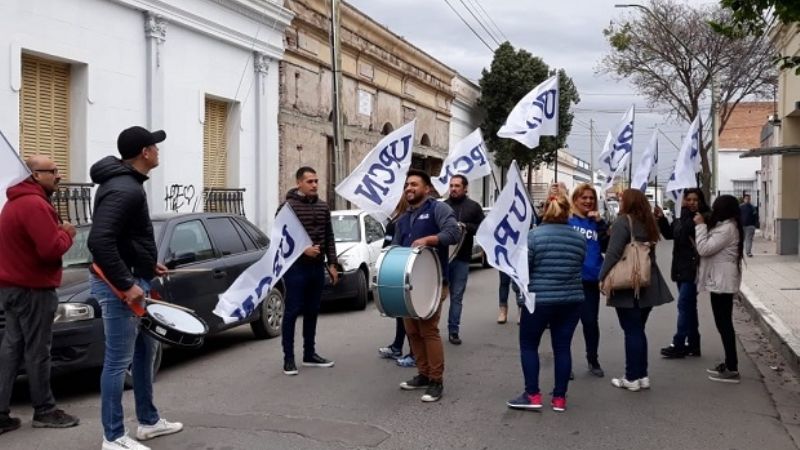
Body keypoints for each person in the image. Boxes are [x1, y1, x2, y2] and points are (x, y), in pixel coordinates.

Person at [88, 126, 183, 450]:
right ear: (144, 152)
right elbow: (99, 241)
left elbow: (122, 237)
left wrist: (145, 264)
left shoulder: (125, 185)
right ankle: (112, 436)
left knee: (146, 350)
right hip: (119, 288)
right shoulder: (125, 189)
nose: (158, 151)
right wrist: (127, 284)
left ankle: (149, 421)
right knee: (118, 361)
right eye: (155, 146)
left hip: (134, 277)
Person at [0, 156, 79, 435]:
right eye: (53, 171)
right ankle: (44, 410)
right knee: (37, 351)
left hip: (11, 288)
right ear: (34, 175)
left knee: (11, 350)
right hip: (33, 290)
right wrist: (67, 233)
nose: (58, 175)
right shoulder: (34, 205)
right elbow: (49, 250)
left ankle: (1, 414)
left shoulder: (12, 204)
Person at [506, 193, 585, 413]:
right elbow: (578, 265)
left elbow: (522, 272)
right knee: (562, 348)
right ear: (568, 211)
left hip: (538, 301)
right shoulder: (579, 238)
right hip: (571, 301)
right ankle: (559, 398)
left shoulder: (532, 237)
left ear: (545, 211)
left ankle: (532, 395)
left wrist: (518, 294)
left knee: (529, 346)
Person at [393, 169, 460, 403]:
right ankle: (422, 373)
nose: (409, 188)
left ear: (427, 188)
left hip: (433, 281)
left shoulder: (438, 209)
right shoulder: (403, 218)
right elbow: (396, 249)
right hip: (407, 285)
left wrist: (429, 240)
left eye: (414, 184)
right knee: (412, 331)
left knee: (428, 329)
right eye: (406, 185)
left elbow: (453, 233)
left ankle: (436, 380)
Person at [600, 189, 673, 392]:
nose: (620, 201)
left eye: (622, 199)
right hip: (648, 281)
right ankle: (642, 375)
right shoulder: (649, 222)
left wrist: (602, 277)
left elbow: (613, 253)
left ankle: (631, 377)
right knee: (638, 330)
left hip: (628, 283)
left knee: (631, 331)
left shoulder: (624, 222)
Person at [280, 167, 339, 376]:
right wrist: (302, 249)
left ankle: (310, 354)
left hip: (317, 267)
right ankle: (288, 358)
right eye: (310, 181)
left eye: (316, 181)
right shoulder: (288, 207)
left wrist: (333, 264)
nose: (315, 185)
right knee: (292, 311)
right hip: (296, 268)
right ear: (299, 184)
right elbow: (280, 237)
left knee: (313, 310)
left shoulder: (323, 207)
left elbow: (329, 237)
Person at [655, 188, 710, 359]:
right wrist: (662, 219)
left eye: (695, 199)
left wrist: (687, 217)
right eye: (689, 199)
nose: (692, 202)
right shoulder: (682, 215)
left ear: (701, 201)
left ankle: (679, 344)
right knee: (689, 307)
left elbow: (692, 233)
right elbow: (670, 234)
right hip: (679, 267)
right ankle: (694, 344)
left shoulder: (704, 217)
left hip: (694, 267)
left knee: (684, 305)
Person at [695, 195, 744, 383]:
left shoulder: (727, 229)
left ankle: (732, 368)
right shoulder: (726, 226)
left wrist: (700, 226)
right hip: (720, 280)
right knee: (722, 323)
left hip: (722, 281)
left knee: (724, 324)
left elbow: (704, 249)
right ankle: (730, 363)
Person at [568, 183, 609, 378]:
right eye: (583, 197)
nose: (588, 201)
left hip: (591, 281)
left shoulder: (597, 223)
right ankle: (564, 363)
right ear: (575, 199)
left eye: (591, 198)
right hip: (569, 280)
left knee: (590, 322)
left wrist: (601, 223)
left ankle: (593, 359)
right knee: (566, 324)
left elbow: (608, 246)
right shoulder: (567, 220)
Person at [444, 175, 484, 345]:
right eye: (451, 185)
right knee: (436, 296)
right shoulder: (442, 207)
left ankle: (453, 330)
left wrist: (466, 226)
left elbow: (483, 229)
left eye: (457, 186)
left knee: (457, 296)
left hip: (462, 259)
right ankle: (429, 331)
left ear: (465, 188)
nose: (453, 189)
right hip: (442, 259)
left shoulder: (473, 207)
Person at [378, 197, 415, 367]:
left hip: (403, 269)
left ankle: (414, 353)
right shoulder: (397, 222)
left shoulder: (398, 222)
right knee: (403, 314)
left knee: (409, 315)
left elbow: (388, 247)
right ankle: (398, 346)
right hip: (404, 270)